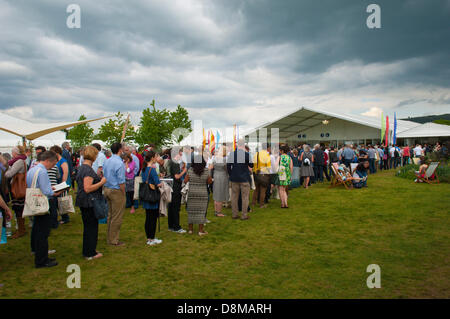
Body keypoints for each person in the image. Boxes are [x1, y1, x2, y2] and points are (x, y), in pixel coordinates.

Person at [28, 151, 61, 268]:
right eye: (52, 164)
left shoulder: (32, 169)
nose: (52, 167)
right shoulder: (42, 172)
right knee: (43, 232)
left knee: (37, 229)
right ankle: (42, 260)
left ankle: (38, 253)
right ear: (47, 160)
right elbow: (47, 192)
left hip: (34, 202)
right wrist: (55, 192)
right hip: (42, 203)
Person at [75, 146, 107, 259]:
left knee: (89, 226)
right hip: (89, 201)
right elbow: (87, 188)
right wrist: (101, 182)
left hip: (84, 200)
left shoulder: (82, 167)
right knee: (91, 227)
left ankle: (89, 249)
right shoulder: (87, 169)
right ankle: (90, 252)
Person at [103, 142, 126, 246]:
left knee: (110, 215)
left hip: (107, 188)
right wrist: (123, 193)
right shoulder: (119, 163)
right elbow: (121, 181)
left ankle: (110, 237)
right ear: (120, 150)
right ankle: (113, 240)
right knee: (116, 216)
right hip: (116, 190)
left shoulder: (107, 161)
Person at [185, 155, 212, 235]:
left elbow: (186, 180)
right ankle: (200, 231)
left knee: (191, 211)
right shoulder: (206, 171)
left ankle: (190, 230)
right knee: (201, 211)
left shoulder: (190, 170)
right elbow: (209, 181)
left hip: (192, 192)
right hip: (203, 193)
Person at [4, 146, 28, 239]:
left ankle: (21, 230)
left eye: (12, 152)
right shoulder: (21, 160)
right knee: (19, 209)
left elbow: (9, 174)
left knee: (19, 209)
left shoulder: (18, 162)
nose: (12, 154)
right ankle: (21, 229)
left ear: (15, 153)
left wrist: (6, 169)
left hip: (18, 189)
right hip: (19, 188)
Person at [227, 139, 253, 220]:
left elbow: (228, 166)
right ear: (244, 145)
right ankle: (244, 215)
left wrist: (231, 174)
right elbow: (251, 165)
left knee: (234, 197)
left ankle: (234, 214)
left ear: (237, 145)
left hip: (234, 178)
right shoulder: (246, 154)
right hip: (244, 178)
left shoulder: (232, 154)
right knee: (245, 197)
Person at [141, 151, 164, 245]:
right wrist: (161, 183)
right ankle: (152, 238)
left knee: (148, 217)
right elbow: (157, 183)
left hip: (146, 195)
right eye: (155, 157)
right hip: (152, 195)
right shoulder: (152, 169)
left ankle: (149, 237)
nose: (156, 158)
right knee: (153, 218)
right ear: (152, 158)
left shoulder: (144, 169)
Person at [164, 148, 187, 233]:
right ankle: (177, 227)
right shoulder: (175, 163)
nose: (181, 154)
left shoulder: (170, 161)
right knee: (176, 207)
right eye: (180, 152)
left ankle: (171, 226)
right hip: (175, 186)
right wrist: (184, 171)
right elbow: (177, 176)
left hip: (170, 186)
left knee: (171, 206)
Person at [50, 145, 71, 225]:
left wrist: (63, 184)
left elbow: (65, 173)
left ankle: (65, 217)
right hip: (58, 183)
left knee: (62, 200)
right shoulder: (56, 160)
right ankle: (63, 217)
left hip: (63, 183)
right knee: (58, 201)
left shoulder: (63, 161)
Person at [209, 146, 229, 217]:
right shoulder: (224, 159)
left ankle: (216, 211)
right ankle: (219, 212)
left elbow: (210, 168)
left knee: (216, 193)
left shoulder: (215, 158)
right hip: (222, 176)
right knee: (220, 194)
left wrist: (211, 176)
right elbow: (227, 169)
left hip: (216, 176)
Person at [252, 143, 271, 208]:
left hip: (256, 173)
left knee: (256, 189)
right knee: (263, 190)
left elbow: (253, 164)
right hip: (264, 174)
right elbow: (269, 166)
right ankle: (261, 204)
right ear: (267, 148)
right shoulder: (267, 155)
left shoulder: (256, 154)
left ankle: (253, 203)